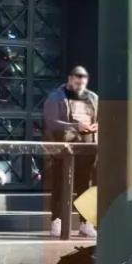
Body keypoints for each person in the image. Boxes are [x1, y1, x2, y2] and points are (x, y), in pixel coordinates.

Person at [43, 66, 99, 238]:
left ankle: (85, 223)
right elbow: (51, 122)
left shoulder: (93, 98)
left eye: (82, 83)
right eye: (76, 82)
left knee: (85, 186)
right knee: (61, 184)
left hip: (87, 148)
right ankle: (57, 221)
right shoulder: (56, 96)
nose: (79, 86)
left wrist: (97, 126)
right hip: (63, 148)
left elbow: (100, 118)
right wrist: (75, 126)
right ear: (69, 79)